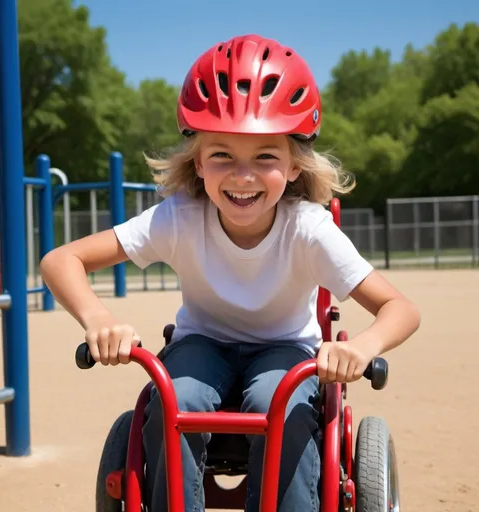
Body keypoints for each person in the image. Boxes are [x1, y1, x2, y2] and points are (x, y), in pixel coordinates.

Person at [40, 34, 420, 512]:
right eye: (222, 155)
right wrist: (97, 319)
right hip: (202, 343)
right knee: (175, 397)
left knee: (277, 402)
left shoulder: (308, 229)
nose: (243, 176)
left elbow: (399, 308)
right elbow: (61, 260)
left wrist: (361, 347)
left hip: (286, 349)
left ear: (295, 166)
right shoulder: (179, 218)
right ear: (198, 162)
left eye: (265, 156)